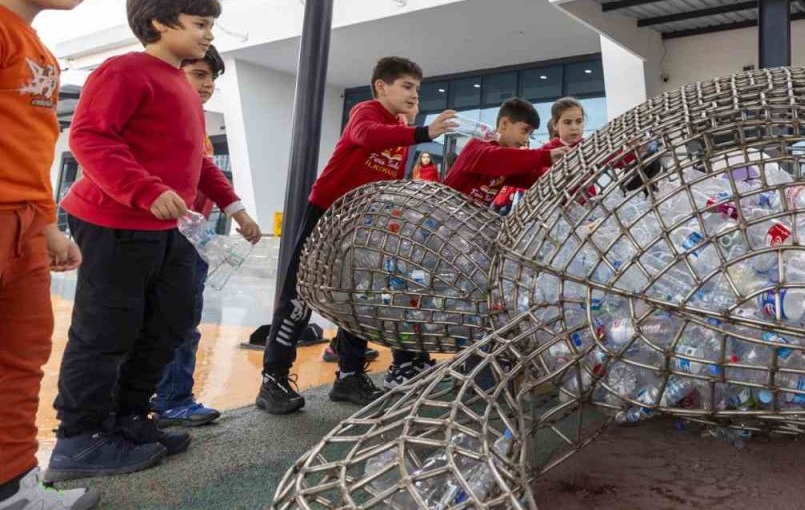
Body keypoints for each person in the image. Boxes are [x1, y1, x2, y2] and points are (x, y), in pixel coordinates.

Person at [46, 0, 260, 483]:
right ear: (161, 23)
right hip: (115, 220)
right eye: (200, 24)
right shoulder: (124, 71)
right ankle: (79, 439)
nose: (209, 34)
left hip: (172, 229)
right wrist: (143, 189)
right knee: (107, 330)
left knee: (166, 324)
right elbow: (92, 137)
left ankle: (128, 420)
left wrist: (234, 207)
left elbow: (200, 163)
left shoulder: (184, 90)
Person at [256, 57, 457, 415]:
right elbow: (366, 137)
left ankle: (348, 375)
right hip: (326, 213)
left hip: (361, 224)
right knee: (300, 295)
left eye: (417, 89)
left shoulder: (398, 128)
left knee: (358, 299)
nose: (414, 95)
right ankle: (273, 379)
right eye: (407, 86)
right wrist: (424, 132)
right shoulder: (366, 113)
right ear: (382, 86)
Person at [0, 0, 99, 510]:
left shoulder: (37, 46)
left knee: (23, 355)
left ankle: (12, 486)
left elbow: (30, 147)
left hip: (24, 227)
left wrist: (48, 225)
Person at [151, 46, 244, 428]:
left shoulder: (196, 120)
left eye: (212, 78)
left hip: (191, 235)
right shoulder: (162, 112)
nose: (207, 86)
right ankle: (150, 402)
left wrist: (236, 209)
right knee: (159, 321)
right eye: (199, 75)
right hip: (159, 233)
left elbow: (204, 170)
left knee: (182, 321)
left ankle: (171, 398)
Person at [443, 98, 567, 207]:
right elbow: (497, 159)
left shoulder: (508, 164)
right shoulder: (477, 146)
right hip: (440, 217)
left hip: (462, 224)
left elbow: (534, 177)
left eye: (530, 134)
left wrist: (563, 174)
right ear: (504, 124)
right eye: (524, 131)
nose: (526, 139)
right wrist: (547, 156)